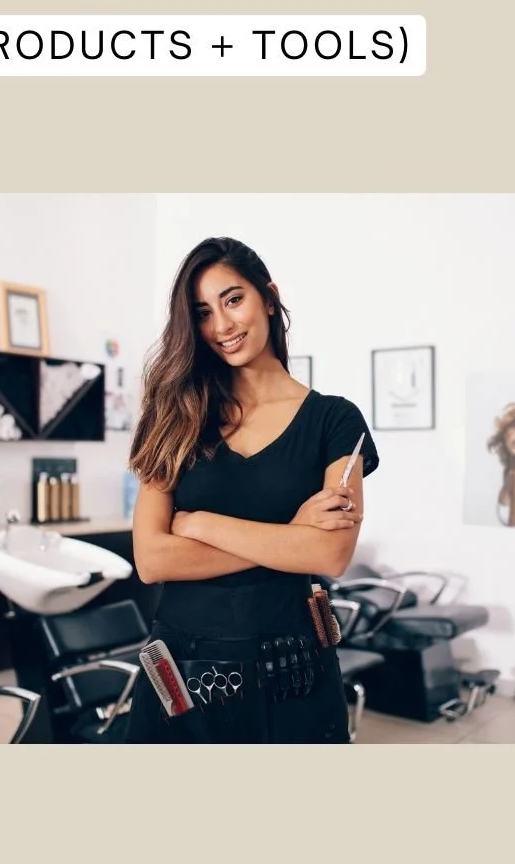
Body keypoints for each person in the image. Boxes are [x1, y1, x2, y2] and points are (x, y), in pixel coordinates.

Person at [124, 236, 378, 743]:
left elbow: (329, 553)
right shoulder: (174, 416)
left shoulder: (336, 421)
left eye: (233, 299)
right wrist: (289, 537)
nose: (221, 326)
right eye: (202, 312)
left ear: (268, 295)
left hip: (296, 667)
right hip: (185, 669)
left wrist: (200, 525)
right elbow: (151, 559)